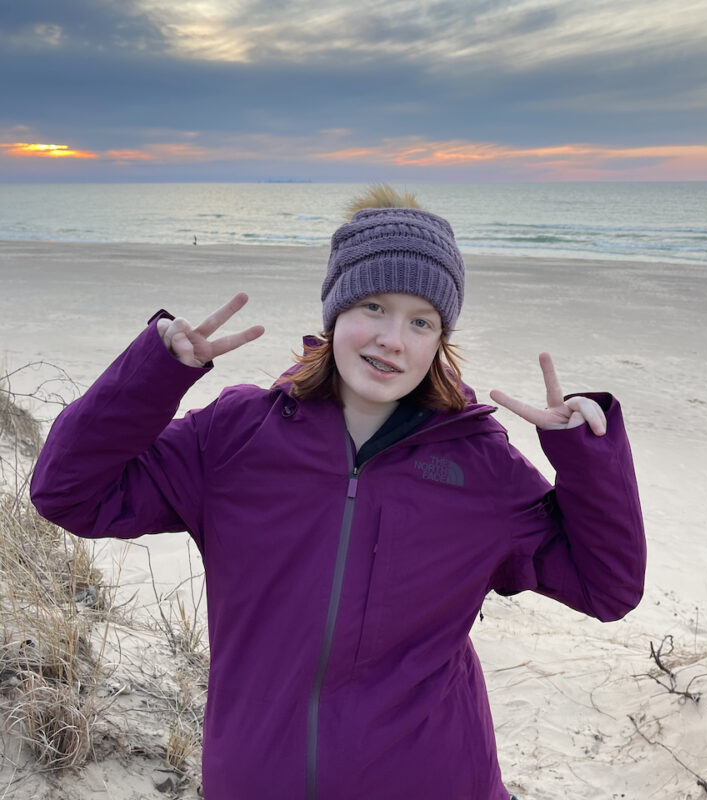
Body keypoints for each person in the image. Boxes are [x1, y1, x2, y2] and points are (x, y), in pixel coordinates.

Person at [31, 187, 646, 800]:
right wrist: (153, 373)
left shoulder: (478, 464)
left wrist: (587, 457)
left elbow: (608, 587)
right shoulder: (237, 435)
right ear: (334, 313)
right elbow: (68, 491)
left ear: (440, 341)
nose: (392, 339)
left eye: (421, 320)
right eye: (373, 306)